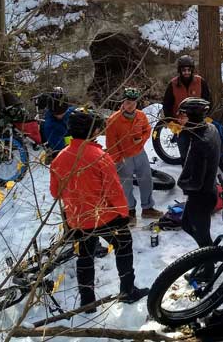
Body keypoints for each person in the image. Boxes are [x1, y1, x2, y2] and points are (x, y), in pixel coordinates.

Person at [49, 108, 148, 310]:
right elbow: (114, 190)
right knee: (123, 247)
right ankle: (127, 290)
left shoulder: (59, 158)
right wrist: (123, 214)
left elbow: (55, 193)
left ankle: (88, 301)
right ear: (92, 132)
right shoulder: (99, 156)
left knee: (84, 257)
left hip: (77, 219)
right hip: (106, 217)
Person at [105, 88, 161, 227]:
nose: (131, 105)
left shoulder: (141, 116)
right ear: (123, 102)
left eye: (134, 103)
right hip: (124, 157)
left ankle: (147, 208)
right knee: (126, 185)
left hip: (140, 153)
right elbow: (111, 143)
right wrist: (117, 159)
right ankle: (129, 211)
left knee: (146, 180)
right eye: (128, 102)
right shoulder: (114, 120)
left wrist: (141, 139)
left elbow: (147, 130)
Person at [176, 97, 221, 249]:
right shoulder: (211, 128)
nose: (178, 117)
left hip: (202, 198)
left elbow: (195, 183)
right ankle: (207, 260)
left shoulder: (199, 142)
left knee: (204, 240)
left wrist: (181, 183)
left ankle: (208, 268)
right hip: (208, 191)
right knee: (186, 224)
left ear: (191, 116)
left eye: (182, 114)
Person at [161, 55, 212, 120]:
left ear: (192, 70)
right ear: (180, 71)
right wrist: (171, 121)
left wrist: (204, 116)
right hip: (179, 122)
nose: (186, 72)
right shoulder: (172, 84)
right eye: (184, 70)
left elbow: (208, 101)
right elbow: (166, 106)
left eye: (189, 70)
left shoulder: (201, 82)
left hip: (198, 121)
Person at [40, 87, 75, 155]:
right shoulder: (50, 125)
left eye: (62, 113)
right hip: (64, 151)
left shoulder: (72, 112)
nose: (59, 116)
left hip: (73, 144)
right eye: (56, 114)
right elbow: (58, 148)